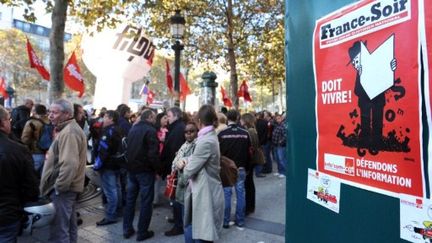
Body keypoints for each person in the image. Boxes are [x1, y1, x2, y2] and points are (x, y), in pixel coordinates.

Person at [39, 99, 88, 243]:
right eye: (50, 112)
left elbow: (69, 164)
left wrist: (59, 187)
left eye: (54, 112)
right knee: (68, 226)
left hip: (64, 190)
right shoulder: (68, 129)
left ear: (67, 114)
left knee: (59, 231)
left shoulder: (69, 132)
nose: (50, 115)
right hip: (68, 189)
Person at [176, 104, 224, 243]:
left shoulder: (205, 140)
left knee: (201, 235)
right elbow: (197, 158)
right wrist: (186, 159)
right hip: (202, 190)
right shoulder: (208, 136)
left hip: (205, 192)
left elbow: (190, 169)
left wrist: (182, 165)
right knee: (197, 230)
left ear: (199, 122)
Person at [0, 105, 39, 242]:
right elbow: (31, 188)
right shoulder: (18, 150)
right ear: (3, 123)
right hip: (7, 215)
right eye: (8, 120)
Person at [123, 109, 159, 241]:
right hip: (144, 171)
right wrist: (157, 170)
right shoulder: (150, 130)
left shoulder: (133, 128)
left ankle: (127, 229)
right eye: (154, 118)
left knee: (131, 201)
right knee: (146, 202)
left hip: (132, 170)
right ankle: (142, 232)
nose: (156, 121)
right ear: (149, 117)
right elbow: (153, 154)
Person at [218, 109, 251, 229]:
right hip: (241, 168)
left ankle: (225, 221)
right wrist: (247, 167)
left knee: (227, 194)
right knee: (240, 194)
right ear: (237, 117)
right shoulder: (245, 133)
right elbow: (248, 153)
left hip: (226, 169)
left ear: (227, 118)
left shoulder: (222, 134)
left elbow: (218, 154)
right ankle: (240, 220)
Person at [94, 110, 123, 226]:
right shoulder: (119, 129)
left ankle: (111, 215)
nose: (103, 119)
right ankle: (118, 210)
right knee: (117, 188)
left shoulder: (108, 131)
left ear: (111, 118)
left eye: (105, 117)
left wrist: (97, 165)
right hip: (117, 164)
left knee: (111, 191)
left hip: (108, 165)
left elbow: (103, 151)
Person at [161, 106, 186, 236]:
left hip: (176, 170)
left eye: (169, 116)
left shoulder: (178, 129)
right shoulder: (177, 128)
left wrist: (169, 169)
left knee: (177, 198)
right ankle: (178, 219)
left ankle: (179, 225)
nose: (167, 119)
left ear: (176, 116)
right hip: (175, 169)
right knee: (175, 197)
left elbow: (173, 152)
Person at [21, 104, 50, 176]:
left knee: (33, 175)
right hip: (49, 153)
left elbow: (25, 139)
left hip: (36, 152)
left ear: (34, 111)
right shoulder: (50, 121)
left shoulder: (31, 122)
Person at [240, 113, 261, 215]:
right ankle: (250, 206)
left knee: (248, 184)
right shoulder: (252, 130)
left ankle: (249, 207)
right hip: (251, 159)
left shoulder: (250, 131)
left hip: (250, 160)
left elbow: (251, 147)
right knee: (249, 183)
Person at [272, 114, 287, 178]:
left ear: (281, 118)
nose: (278, 120)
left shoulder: (283, 125)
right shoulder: (276, 125)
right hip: (275, 145)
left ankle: (285, 172)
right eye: (276, 118)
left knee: (281, 159)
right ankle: (280, 171)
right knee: (277, 159)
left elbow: (285, 136)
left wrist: (280, 142)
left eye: (279, 118)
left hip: (280, 145)